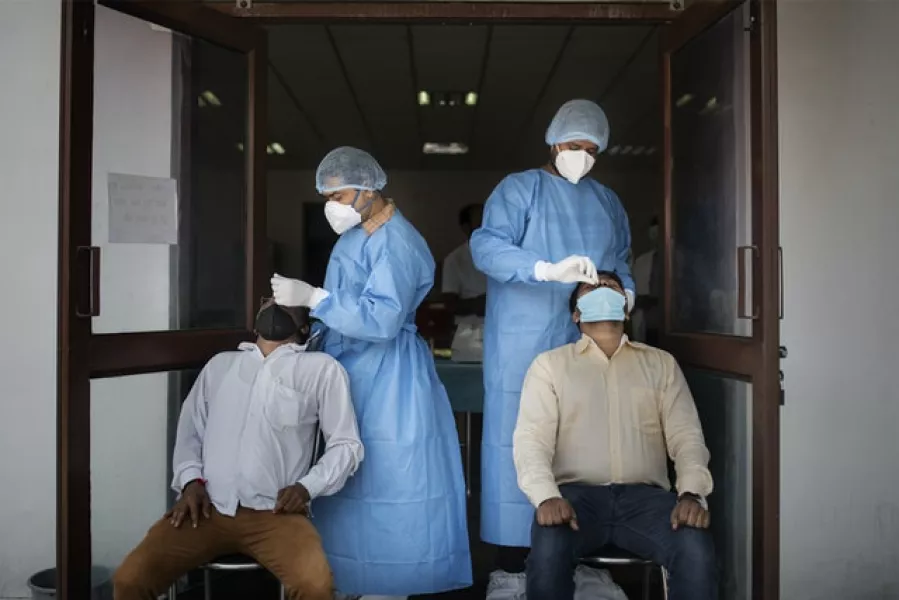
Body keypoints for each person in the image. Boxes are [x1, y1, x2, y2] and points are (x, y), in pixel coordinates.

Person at [269, 147, 472, 600]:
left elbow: (380, 321)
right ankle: (347, 579)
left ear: (368, 188)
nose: (331, 205)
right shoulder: (355, 235)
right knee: (345, 479)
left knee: (388, 477)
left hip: (389, 374)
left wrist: (315, 298)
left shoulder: (397, 241)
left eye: (337, 193)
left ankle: (390, 586)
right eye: (325, 196)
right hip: (349, 366)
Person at [469, 98, 636, 595]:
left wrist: (622, 292)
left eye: (590, 149)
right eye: (572, 145)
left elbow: (622, 261)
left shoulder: (608, 202)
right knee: (519, 442)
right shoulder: (519, 190)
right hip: (523, 341)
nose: (580, 155)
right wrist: (545, 269)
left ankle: (571, 557)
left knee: (579, 445)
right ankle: (513, 565)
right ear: (552, 141)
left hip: (589, 340)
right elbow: (486, 246)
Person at [113, 300, 364, 600]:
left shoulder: (320, 369)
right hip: (206, 509)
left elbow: (346, 445)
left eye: (286, 302)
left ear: (304, 327)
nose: (274, 304)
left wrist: (306, 487)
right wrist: (191, 481)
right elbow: (190, 431)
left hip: (277, 514)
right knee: (131, 579)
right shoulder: (221, 365)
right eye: (269, 301)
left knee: (315, 586)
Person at [513, 272, 717, 600]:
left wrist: (691, 494)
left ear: (625, 309)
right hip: (576, 500)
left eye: (611, 287)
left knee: (694, 544)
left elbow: (687, 436)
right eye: (592, 288)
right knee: (549, 547)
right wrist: (546, 496)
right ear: (576, 314)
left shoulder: (660, 364)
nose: (603, 290)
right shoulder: (549, 366)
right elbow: (532, 440)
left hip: (647, 501)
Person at [442, 203, 488, 321]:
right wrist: (479, 304)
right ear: (466, 228)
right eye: (480, 222)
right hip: (471, 330)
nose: (487, 226)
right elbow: (450, 305)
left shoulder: (505, 255)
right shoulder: (454, 260)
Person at [631, 216, 661, 344]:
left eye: (658, 234)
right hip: (645, 326)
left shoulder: (677, 260)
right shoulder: (641, 262)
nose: (655, 237)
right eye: (653, 234)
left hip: (667, 326)